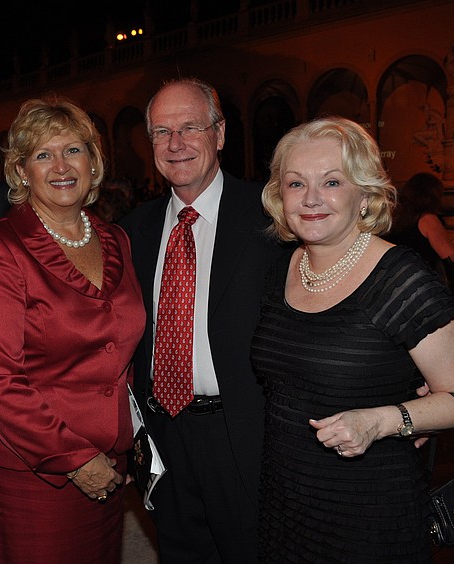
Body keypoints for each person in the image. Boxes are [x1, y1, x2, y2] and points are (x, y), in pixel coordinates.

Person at [251, 116, 454, 562]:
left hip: (371, 510)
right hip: (286, 503)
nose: (311, 198)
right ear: (280, 197)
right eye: (296, 183)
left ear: (364, 195)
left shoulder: (399, 278)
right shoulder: (281, 269)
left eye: (332, 182)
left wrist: (379, 421)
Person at [0, 95, 145, 563]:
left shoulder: (116, 239)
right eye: (43, 154)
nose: (61, 166)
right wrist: (76, 459)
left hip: (110, 470)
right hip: (35, 478)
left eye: (73, 150)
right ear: (21, 171)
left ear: (93, 162)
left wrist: (128, 444)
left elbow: (119, 356)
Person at [118, 77, 284, 562]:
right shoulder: (134, 230)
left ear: (221, 133)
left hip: (245, 434)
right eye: (161, 132)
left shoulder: (271, 216)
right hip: (163, 435)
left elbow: (329, 292)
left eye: (190, 127)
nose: (176, 144)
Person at [388, 171, 454, 312]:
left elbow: (418, 245)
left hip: (402, 284)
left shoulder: (400, 219)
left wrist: (450, 243)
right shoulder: (428, 219)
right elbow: (450, 256)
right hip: (425, 289)